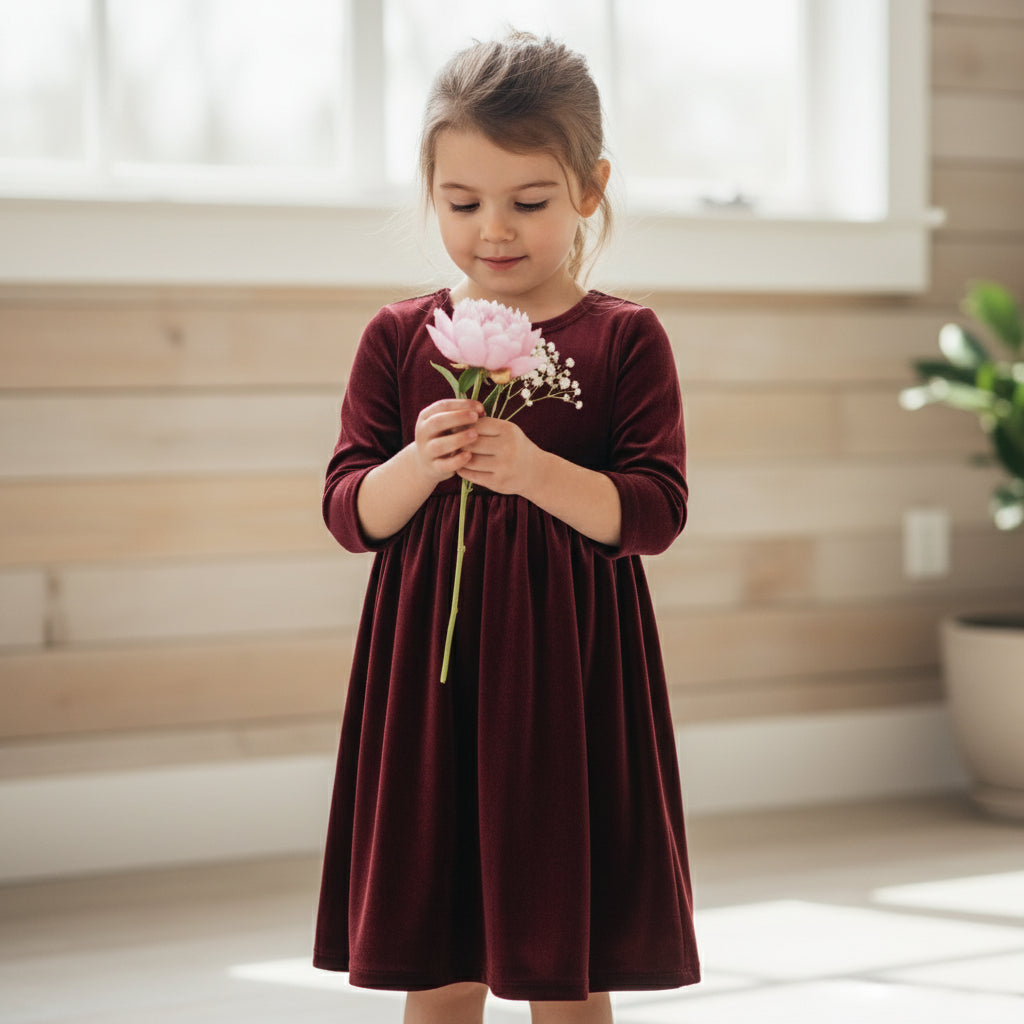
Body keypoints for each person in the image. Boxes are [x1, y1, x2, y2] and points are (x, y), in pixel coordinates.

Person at [313, 31, 701, 1024]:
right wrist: (418, 462)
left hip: (567, 688)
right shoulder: (399, 338)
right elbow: (351, 512)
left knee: (564, 944)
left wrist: (534, 473)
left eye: (528, 201)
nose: (494, 229)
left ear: (587, 188)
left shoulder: (622, 337)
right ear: (429, 191)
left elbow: (654, 510)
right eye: (461, 202)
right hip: (429, 691)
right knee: (436, 947)